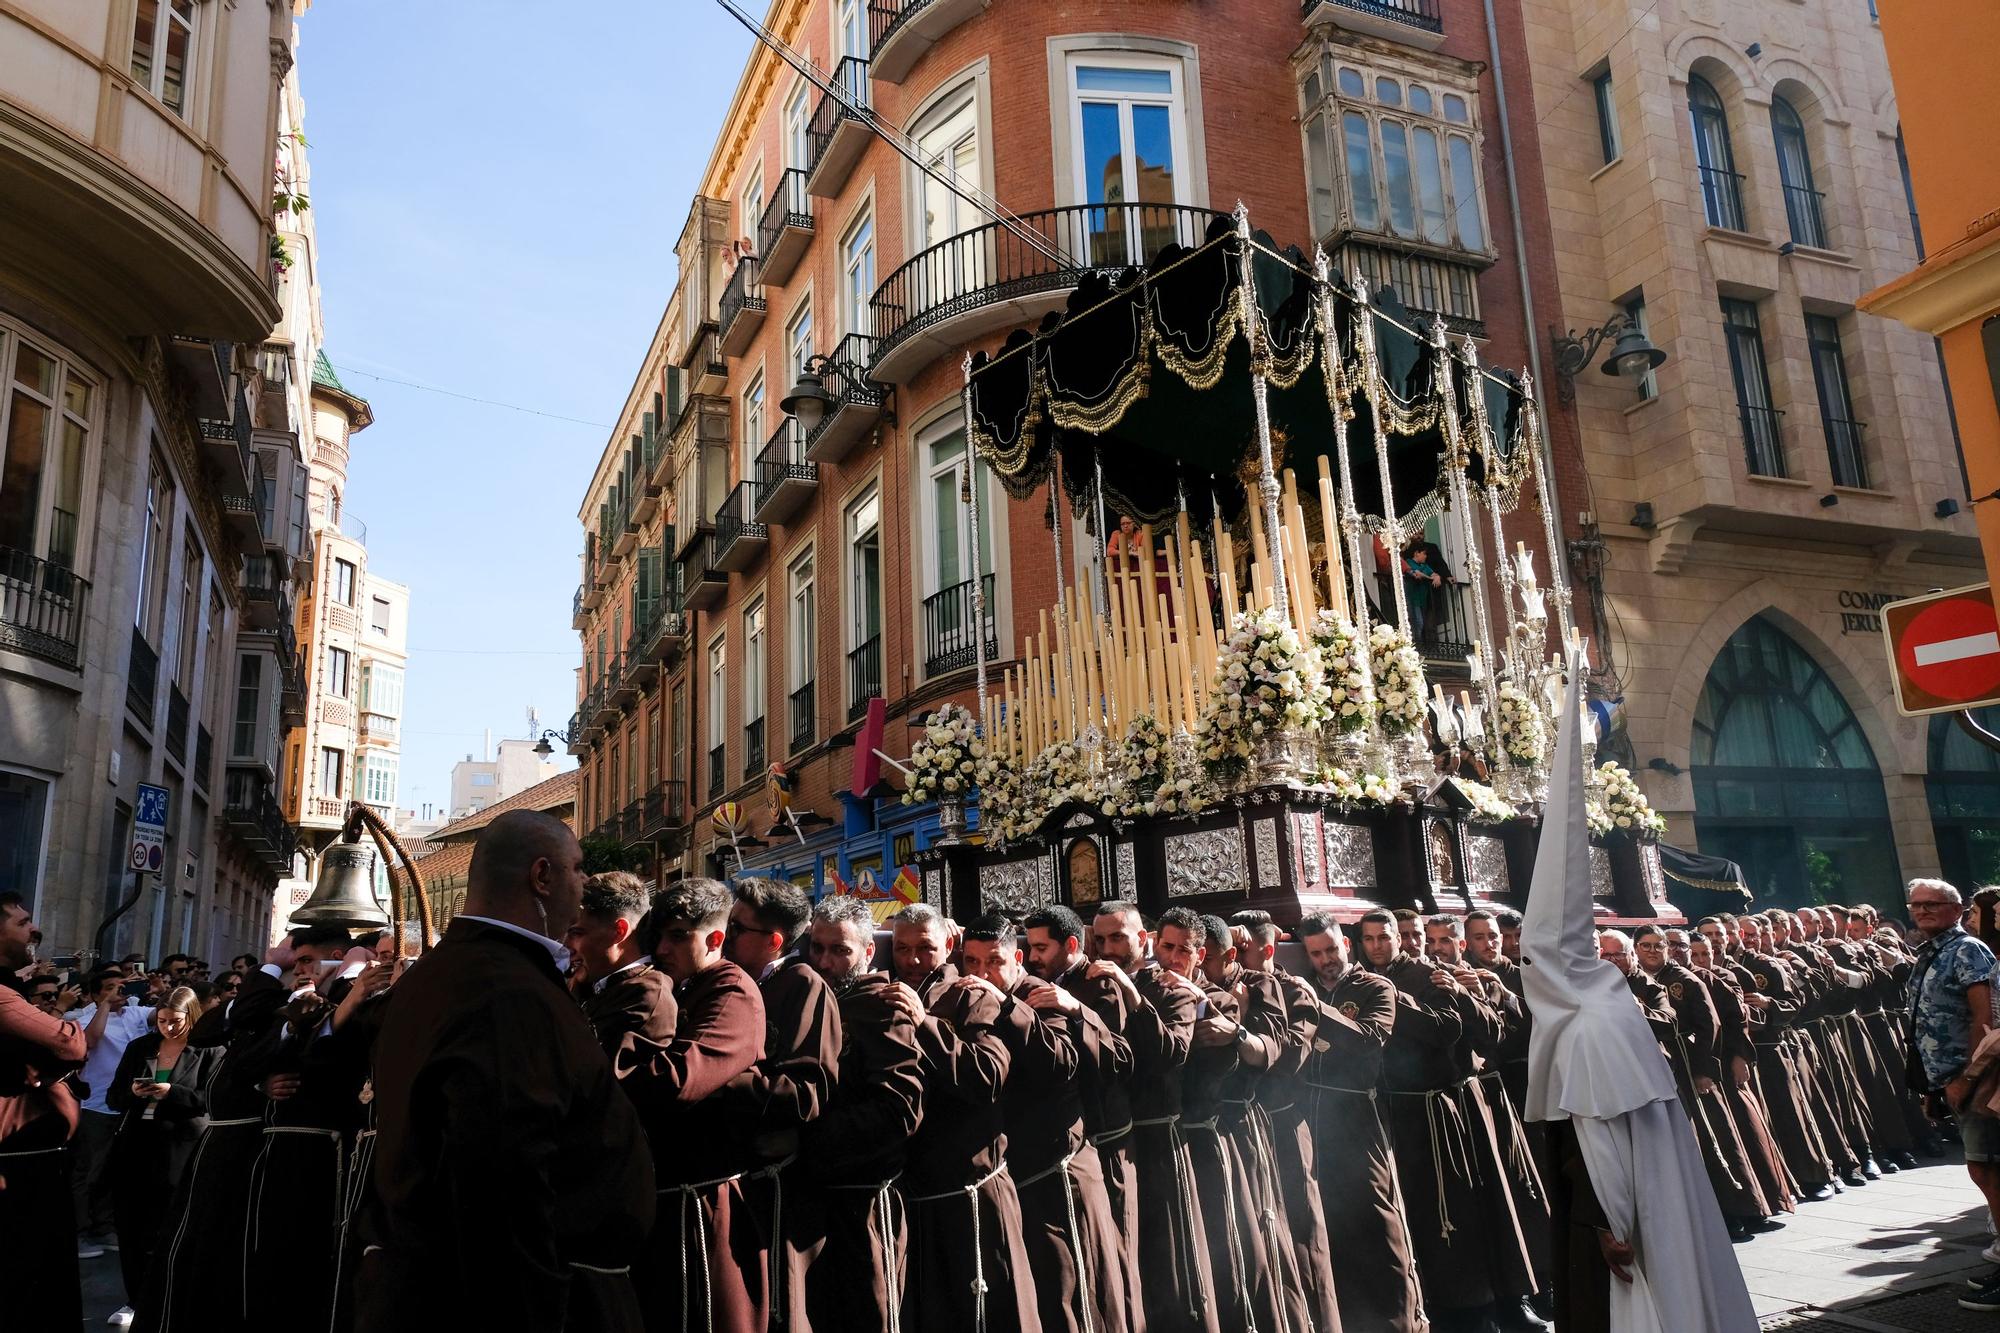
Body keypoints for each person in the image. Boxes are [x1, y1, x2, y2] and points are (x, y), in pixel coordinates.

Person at [356, 809, 656, 1331]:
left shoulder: (449, 972)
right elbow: (502, 1182)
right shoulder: (506, 992)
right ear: (541, 877)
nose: (584, 885)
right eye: (578, 869)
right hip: (512, 1297)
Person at [614, 879, 767, 1333]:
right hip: (664, 1205)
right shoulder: (679, 984)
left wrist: (611, 1067)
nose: (662, 948)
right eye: (658, 936)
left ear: (715, 939)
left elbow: (679, 1081)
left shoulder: (732, 990)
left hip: (703, 1206)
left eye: (678, 936)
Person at [962, 914, 1127, 1333]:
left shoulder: (1037, 994)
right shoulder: (964, 996)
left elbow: (1061, 1065)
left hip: (1060, 1176)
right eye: (972, 962)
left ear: (1016, 959)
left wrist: (1004, 1005)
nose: (982, 974)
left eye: (994, 962)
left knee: (1075, 1295)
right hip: (1013, 1180)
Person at [885, 905, 1039, 1333]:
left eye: (925, 948)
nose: (913, 960)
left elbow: (984, 1078)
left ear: (948, 946)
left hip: (970, 1193)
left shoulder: (971, 994)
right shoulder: (888, 989)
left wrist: (924, 1024)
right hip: (913, 1196)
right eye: (901, 948)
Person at [798, 894, 925, 1333]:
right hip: (819, 1201)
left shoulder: (882, 1007)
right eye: (817, 948)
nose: (825, 961)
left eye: (840, 950)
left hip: (867, 1205)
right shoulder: (813, 999)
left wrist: (811, 1135)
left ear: (868, 952)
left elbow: (900, 1109)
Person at [1091, 900, 1217, 1333]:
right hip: (1113, 1145)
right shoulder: (1089, 985)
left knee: (1169, 1259)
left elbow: (1168, 1054)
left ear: (1141, 940)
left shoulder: (1171, 988)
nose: (1108, 948)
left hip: (1160, 1142)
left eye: (1118, 938)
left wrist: (1130, 993)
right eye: (1100, 939)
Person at [1295, 913, 1424, 1333]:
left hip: (1359, 1119)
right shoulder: (1305, 986)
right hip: (1313, 1121)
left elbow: (1368, 1040)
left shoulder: (1375, 987)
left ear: (1346, 945)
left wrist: (1319, 1014)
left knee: (1376, 1217)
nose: (1325, 959)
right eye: (1315, 953)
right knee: (1330, 1219)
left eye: (1331, 949)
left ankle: (1400, 1321)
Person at [722, 878, 840, 1330]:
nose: (726, 935)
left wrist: (720, 1073)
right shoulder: (732, 981)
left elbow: (806, 1094)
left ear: (774, 942)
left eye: (737, 927)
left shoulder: (804, 987)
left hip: (777, 1190)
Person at [1023, 904, 1143, 1331]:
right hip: (1065, 1147)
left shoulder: (1099, 982)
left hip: (1106, 1144)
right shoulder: (1036, 983)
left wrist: (1076, 1010)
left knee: (1113, 1260)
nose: (1032, 956)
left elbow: (1122, 1058)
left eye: (1041, 947)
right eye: (1029, 947)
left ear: (1071, 945)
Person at [1232, 910, 1344, 1333]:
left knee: (1302, 1233)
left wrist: (1244, 1023)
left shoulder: (1293, 990)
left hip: (1283, 1125)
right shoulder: (1226, 988)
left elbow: (1289, 1059)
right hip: (1243, 1131)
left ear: (1266, 948)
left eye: (1241, 949)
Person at [104, 986, 221, 1323]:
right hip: (138, 1144)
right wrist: (133, 1090)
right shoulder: (140, 1047)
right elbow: (113, 1097)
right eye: (163, 1021)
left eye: (176, 1022)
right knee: (133, 1225)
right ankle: (136, 1298)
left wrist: (172, 1092)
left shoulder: (209, 1049)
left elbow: (209, 1098)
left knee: (174, 1224)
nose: (168, 1028)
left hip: (184, 1145)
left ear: (191, 1017)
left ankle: (175, 1296)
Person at [0, 892, 89, 1331]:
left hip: (35, 1156)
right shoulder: (2, 995)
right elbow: (70, 1042)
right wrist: (63, 1029)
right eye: (21, 922)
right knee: (26, 1270)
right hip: (19, 1163)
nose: (33, 930)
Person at [68, 961, 157, 1259]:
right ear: (95, 995)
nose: (118, 991)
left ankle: (104, 1227)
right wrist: (104, 1005)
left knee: (113, 1171)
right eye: (109, 988)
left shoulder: (136, 1013)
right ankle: (79, 1231)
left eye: (121, 986)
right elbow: (91, 1041)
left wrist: (159, 992)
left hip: (127, 1105)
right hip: (95, 1106)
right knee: (88, 1172)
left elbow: (165, 1015)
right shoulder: (83, 1019)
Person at [569, 872, 677, 1058]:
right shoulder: (592, 985)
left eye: (577, 933)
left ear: (619, 931)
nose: (567, 945)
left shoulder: (646, 996)